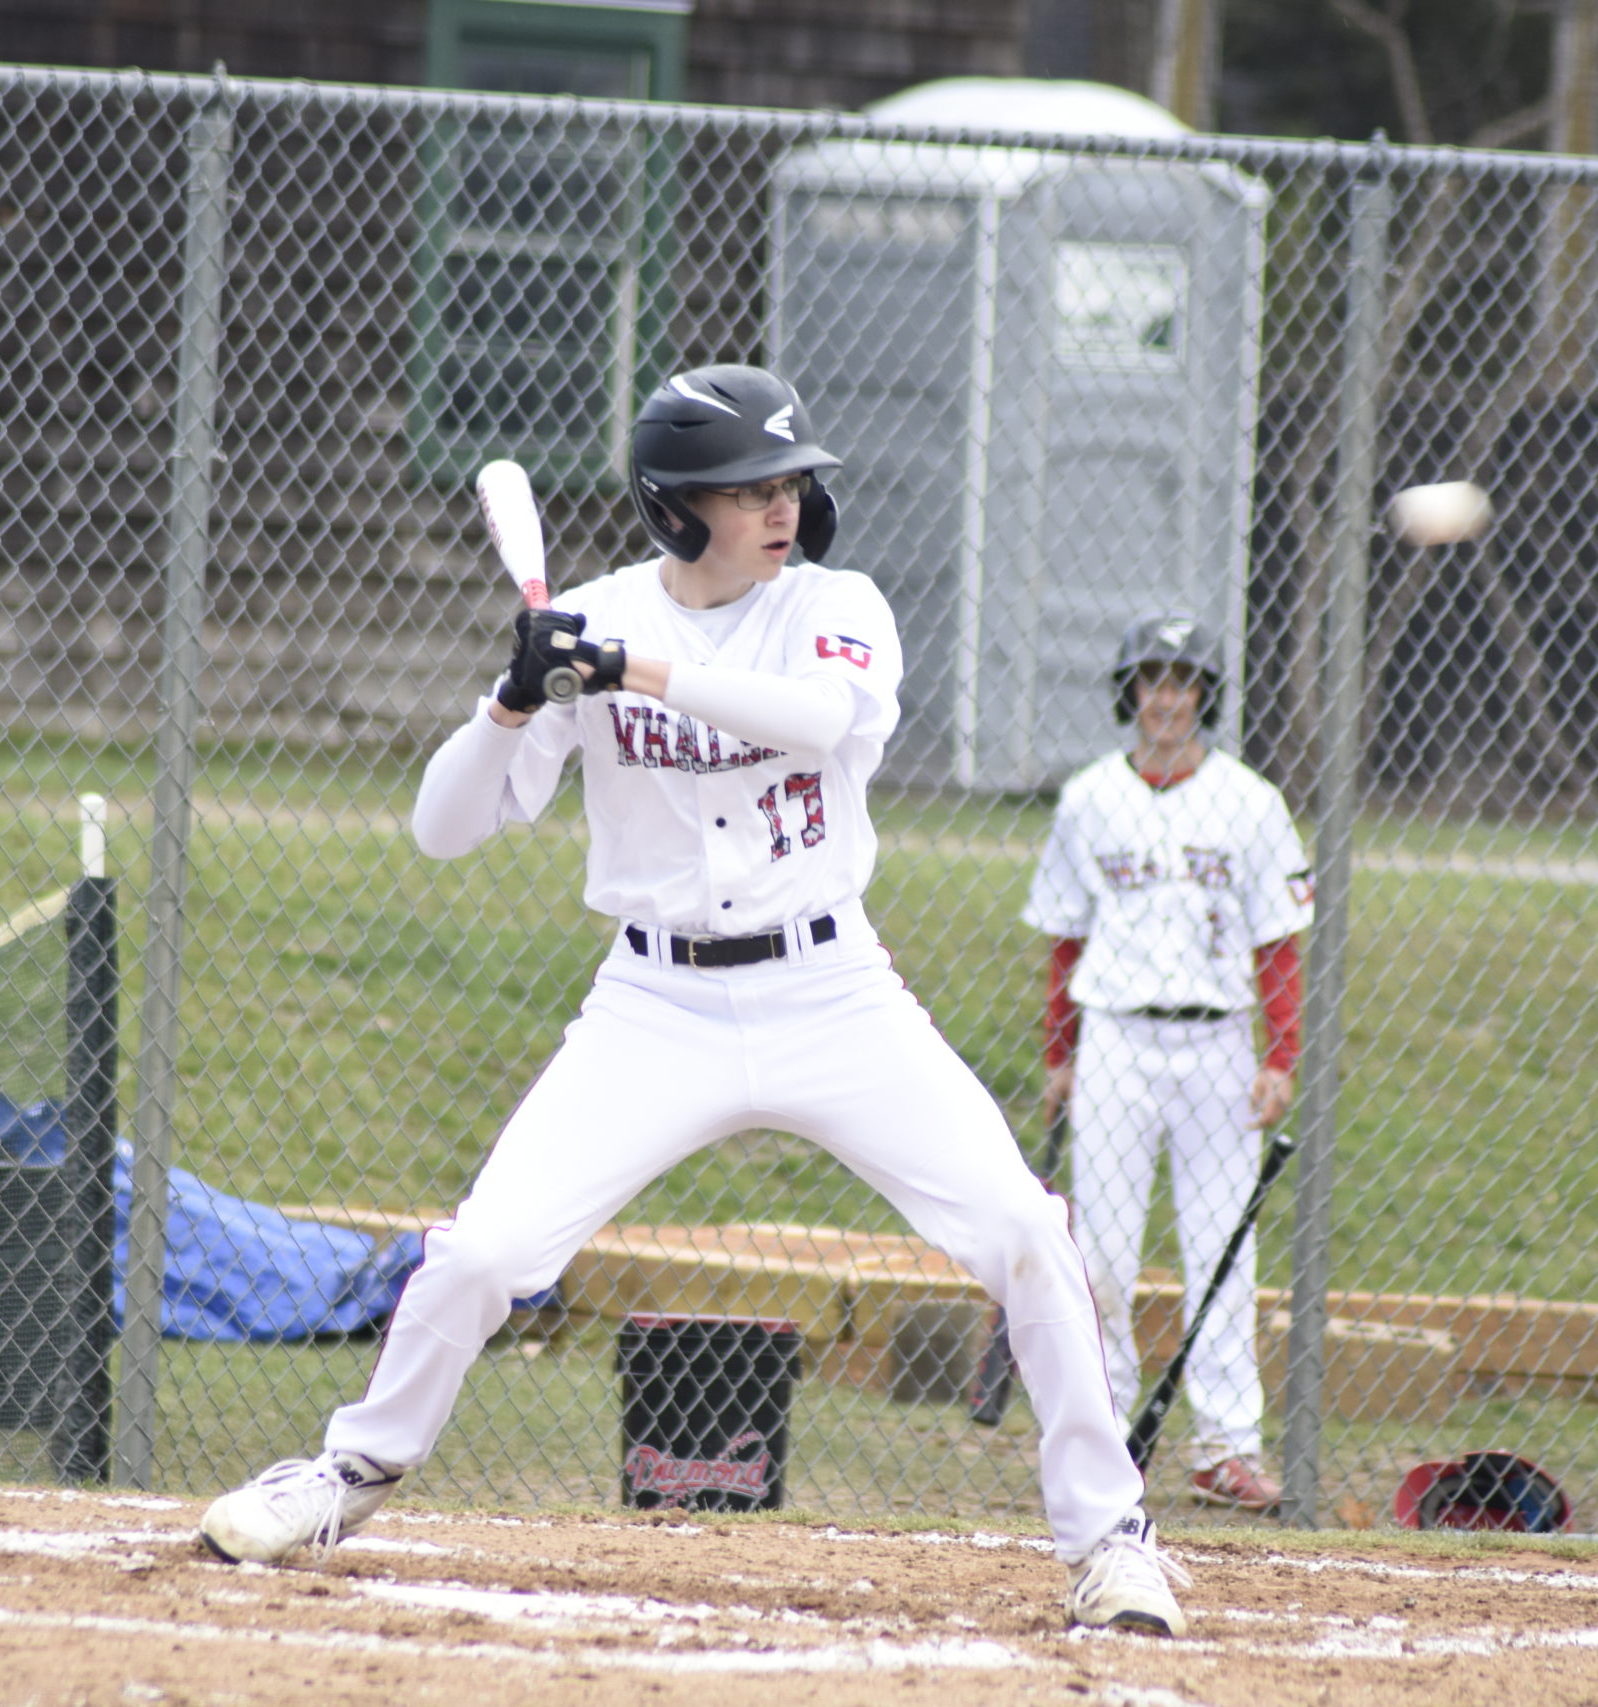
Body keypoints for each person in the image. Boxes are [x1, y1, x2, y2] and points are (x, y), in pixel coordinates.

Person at [199, 364, 1188, 1637]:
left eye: (788, 484)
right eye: (746, 490)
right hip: (652, 1006)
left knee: (1023, 1230)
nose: (780, 509)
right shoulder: (594, 622)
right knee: (485, 1254)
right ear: (678, 512)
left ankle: (1111, 1541)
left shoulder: (837, 607)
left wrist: (631, 669)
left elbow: (819, 715)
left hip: (831, 989)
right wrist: (513, 699)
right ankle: (347, 1473)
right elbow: (443, 829)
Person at [1022, 617, 1312, 1515]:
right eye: (1150, 678)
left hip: (1219, 1044)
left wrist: (1280, 1056)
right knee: (1101, 1249)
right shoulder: (1088, 798)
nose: (1167, 697)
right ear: (1129, 692)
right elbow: (1067, 939)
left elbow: (1278, 944)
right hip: (1115, 1038)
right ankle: (1104, 1433)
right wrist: (1060, 1054)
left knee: (1222, 1246)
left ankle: (1225, 1445)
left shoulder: (1252, 802)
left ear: (1206, 695)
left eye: (1184, 680)